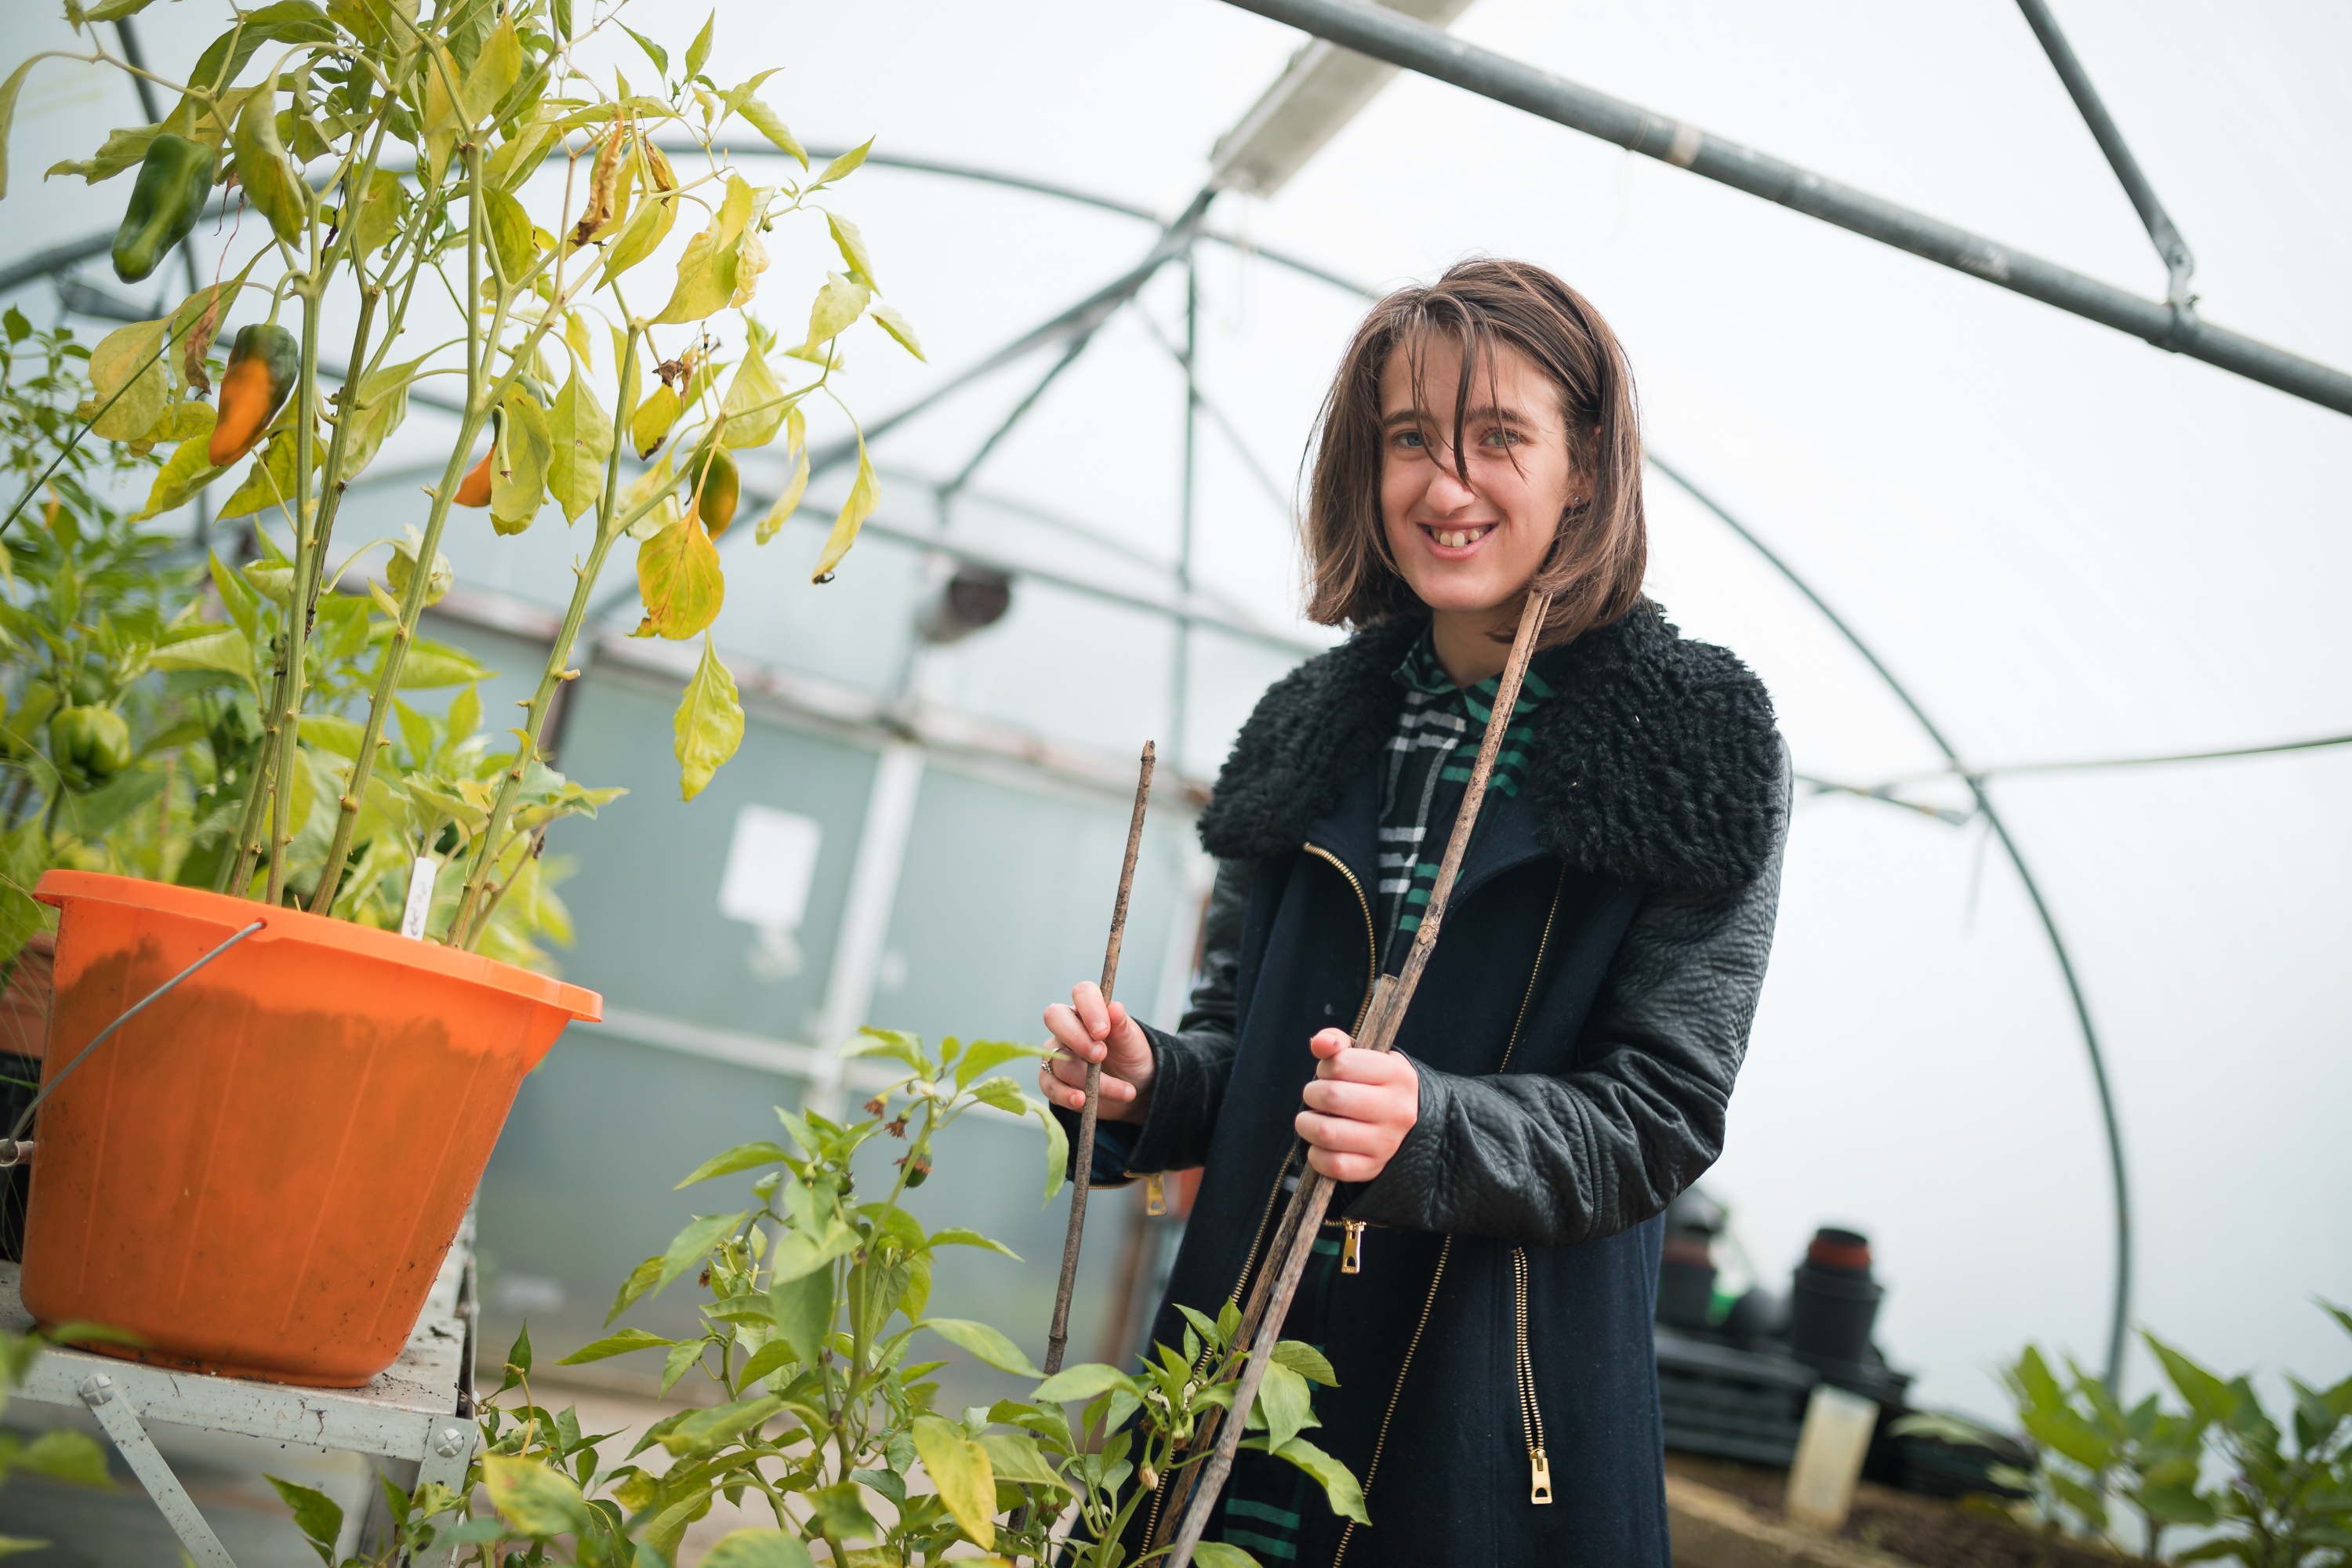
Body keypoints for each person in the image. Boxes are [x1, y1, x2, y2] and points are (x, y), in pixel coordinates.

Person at [1040, 259, 1790, 1566]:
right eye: (1407, 442)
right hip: (1237, 1368)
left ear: (1590, 467)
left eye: (1499, 437)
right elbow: (1242, 1045)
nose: (1446, 488)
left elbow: (1663, 1111)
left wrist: (1435, 1128)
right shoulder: (1310, 734)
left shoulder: (1699, 745)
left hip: (1487, 1422)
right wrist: (1150, 1083)